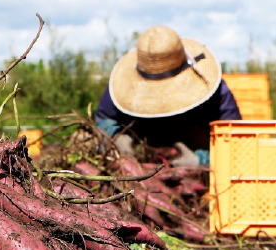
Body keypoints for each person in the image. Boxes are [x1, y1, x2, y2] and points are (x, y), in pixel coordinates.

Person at [95, 25, 241, 167]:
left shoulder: (216, 92)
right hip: (141, 161)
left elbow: (237, 145)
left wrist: (203, 160)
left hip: (199, 167)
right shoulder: (122, 87)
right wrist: (115, 137)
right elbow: (103, 119)